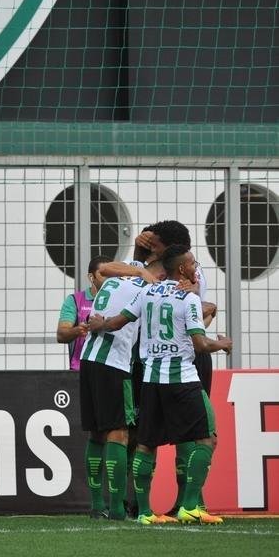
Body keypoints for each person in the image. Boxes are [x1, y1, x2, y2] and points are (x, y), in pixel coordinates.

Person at [92, 245, 232, 525]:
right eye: (192, 264)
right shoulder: (189, 299)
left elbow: (119, 322)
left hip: (151, 380)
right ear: (181, 269)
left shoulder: (147, 293)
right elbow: (200, 344)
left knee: (146, 444)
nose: (195, 268)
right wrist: (224, 344)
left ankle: (145, 512)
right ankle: (190, 506)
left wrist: (100, 324)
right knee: (208, 438)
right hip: (182, 379)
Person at [133, 220, 216, 514]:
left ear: (167, 250)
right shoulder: (156, 272)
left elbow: (196, 306)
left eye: (153, 243)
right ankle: (172, 505)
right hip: (161, 361)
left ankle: (188, 500)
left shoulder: (185, 274)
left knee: (191, 431)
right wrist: (139, 256)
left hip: (186, 358)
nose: (148, 247)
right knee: (154, 435)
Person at [79, 258, 161, 520]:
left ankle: (96, 506)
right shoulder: (147, 289)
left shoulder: (114, 280)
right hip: (114, 363)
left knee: (96, 433)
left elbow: (103, 268)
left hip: (88, 359)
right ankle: (116, 508)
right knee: (119, 433)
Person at [56, 257, 103, 370]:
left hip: (111, 368)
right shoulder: (74, 300)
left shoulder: (119, 300)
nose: (109, 279)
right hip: (81, 369)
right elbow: (61, 335)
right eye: (103, 274)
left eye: (112, 275)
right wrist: (78, 330)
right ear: (91, 277)